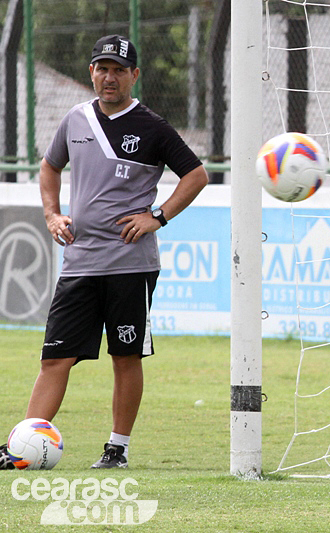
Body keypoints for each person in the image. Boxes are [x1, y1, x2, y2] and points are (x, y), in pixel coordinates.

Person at [0, 35, 208, 470]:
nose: (109, 77)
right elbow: (49, 166)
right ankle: (21, 449)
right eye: (102, 68)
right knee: (55, 356)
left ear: (134, 75)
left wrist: (158, 216)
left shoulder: (152, 126)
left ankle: (117, 448)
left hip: (130, 266)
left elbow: (196, 175)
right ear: (91, 73)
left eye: (118, 69)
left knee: (125, 355)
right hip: (79, 263)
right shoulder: (75, 119)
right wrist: (53, 214)